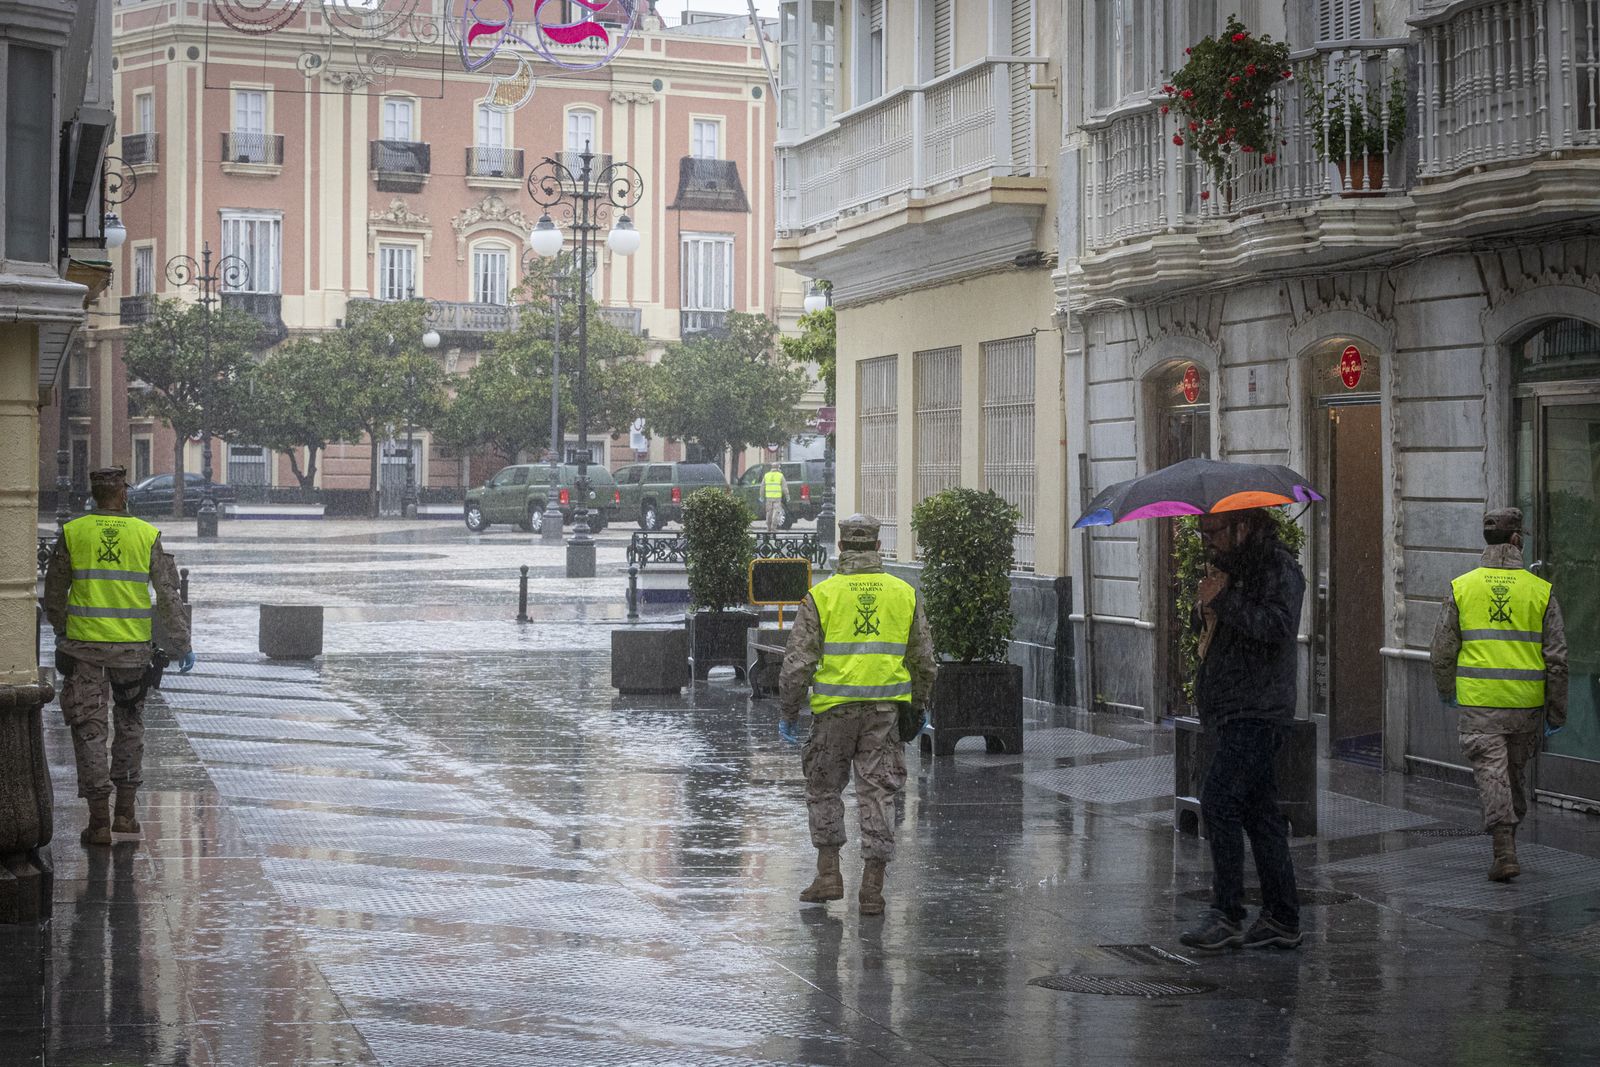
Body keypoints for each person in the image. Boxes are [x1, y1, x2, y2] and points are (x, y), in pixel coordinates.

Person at [778, 513, 936, 915]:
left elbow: (797, 662)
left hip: (833, 713)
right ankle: (872, 890)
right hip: (884, 714)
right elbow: (924, 661)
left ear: (842, 547)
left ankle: (829, 874)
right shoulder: (904, 594)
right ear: (879, 548)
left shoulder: (823, 595)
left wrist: (789, 710)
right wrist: (917, 706)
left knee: (824, 787)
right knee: (877, 791)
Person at [43, 466, 193, 846]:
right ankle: (125, 816)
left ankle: (97, 824)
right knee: (130, 728)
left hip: (84, 651)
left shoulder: (74, 533)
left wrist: (64, 631)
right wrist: (182, 643)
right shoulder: (145, 534)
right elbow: (168, 595)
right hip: (132, 653)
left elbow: (54, 593)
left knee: (90, 731)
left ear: (93, 495)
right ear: (123, 494)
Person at [1180, 507, 1306, 952]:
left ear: (1243, 526)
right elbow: (1220, 633)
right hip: (1233, 705)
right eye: (1203, 531)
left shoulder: (1279, 567)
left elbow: (1277, 627)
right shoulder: (1231, 568)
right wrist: (1205, 606)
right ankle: (1282, 917)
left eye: (1213, 530)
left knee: (1218, 799)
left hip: (1259, 708)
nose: (1207, 540)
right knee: (1260, 813)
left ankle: (1228, 913)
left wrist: (1224, 601)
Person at [1430, 508, 1566, 882]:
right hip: (1525, 705)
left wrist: (1446, 691)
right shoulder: (1541, 591)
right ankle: (1507, 844)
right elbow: (1557, 659)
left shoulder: (1462, 587)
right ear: (1517, 541)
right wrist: (1556, 713)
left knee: (1493, 773)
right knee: (1514, 774)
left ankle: (1504, 849)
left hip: (1478, 704)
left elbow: (1442, 650)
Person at [763, 465, 788, 533]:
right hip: (777, 498)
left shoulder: (766, 475)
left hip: (768, 497)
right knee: (776, 512)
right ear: (777, 468)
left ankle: (768, 527)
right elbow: (784, 487)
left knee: (768, 512)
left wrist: (761, 496)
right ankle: (773, 528)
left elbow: (762, 487)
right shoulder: (780, 475)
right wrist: (787, 495)